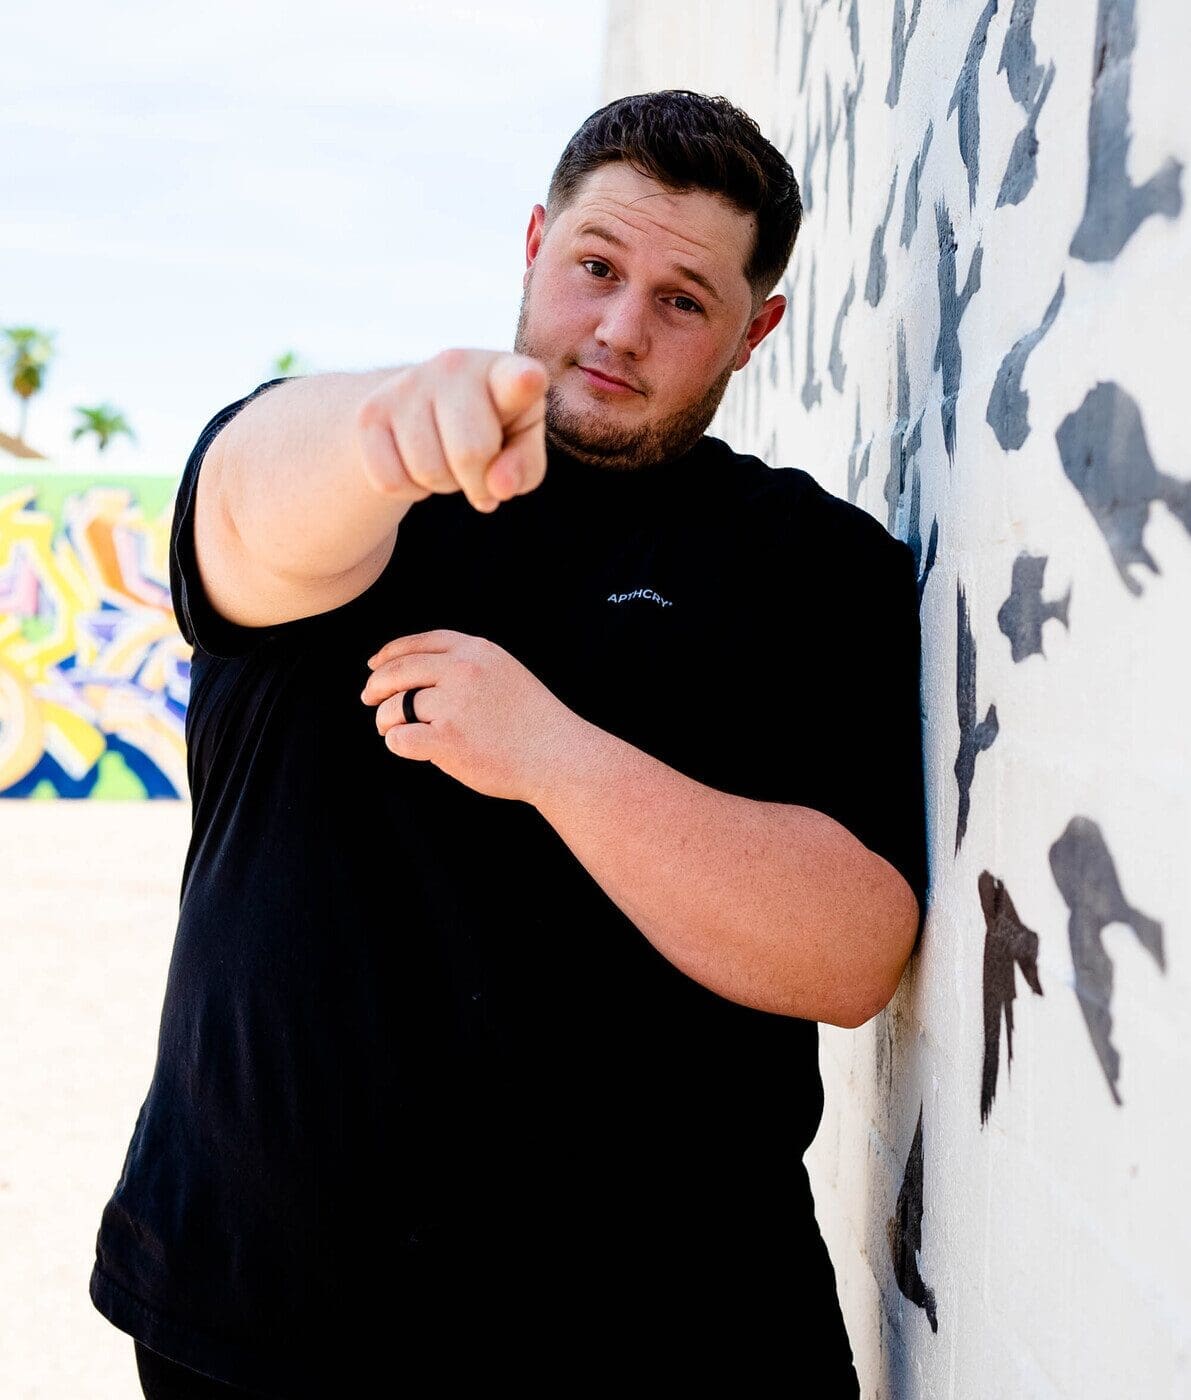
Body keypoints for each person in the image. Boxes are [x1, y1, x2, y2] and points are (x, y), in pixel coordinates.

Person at [90, 90, 927, 1397]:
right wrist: (384, 429)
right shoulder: (362, 487)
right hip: (276, 1322)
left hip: (675, 1336)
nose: (621, 328)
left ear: (755, 330)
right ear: (535, 244)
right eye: (595, 266)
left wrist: (550, 753)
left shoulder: (817, 568)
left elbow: (849, 951)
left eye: (682, 300)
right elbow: (245, 515)